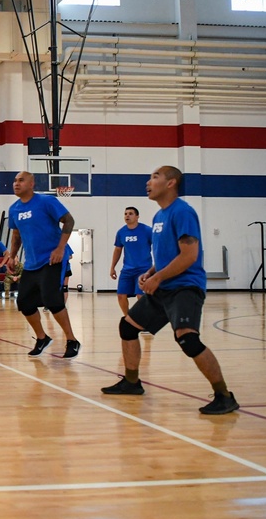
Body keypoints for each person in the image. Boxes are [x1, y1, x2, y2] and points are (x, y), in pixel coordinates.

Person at [102, 166, 239, 415]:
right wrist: (152, 272)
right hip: (163, 285)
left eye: (155, 177)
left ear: (170, 183)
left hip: (185, 287)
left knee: (187, 339)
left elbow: (189, 255)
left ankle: (224, 396)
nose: (148, 181)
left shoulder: (183, 212)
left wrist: (159, 277)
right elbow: (167, 255)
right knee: (128, 326)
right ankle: (132, 383)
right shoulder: (158, 217)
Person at [6, 172, 81, 358]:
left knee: (52, 300)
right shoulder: (14, 209)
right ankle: (42, 338)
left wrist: (60, 248)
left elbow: (69, 221)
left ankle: (72, 340)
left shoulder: (46, 201)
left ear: (32, 183)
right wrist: (12, 256)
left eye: (21, 180)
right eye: (15, 180)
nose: (16, 183)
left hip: (52, 258)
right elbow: (16, 235)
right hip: (32, 263)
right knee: (24, 303)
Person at [110, 206, 154, 316]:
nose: (127, 216)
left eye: (130, 213)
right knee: (121, 295)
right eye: (125, 214)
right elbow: (118, 250)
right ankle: (128, 318)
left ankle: (144, 320)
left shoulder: (147, 230)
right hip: (127, 270)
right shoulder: (121, 232)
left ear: (137, 216)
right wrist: (112, 267)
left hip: (144, 269)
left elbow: (158, 245)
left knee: (141, 296)